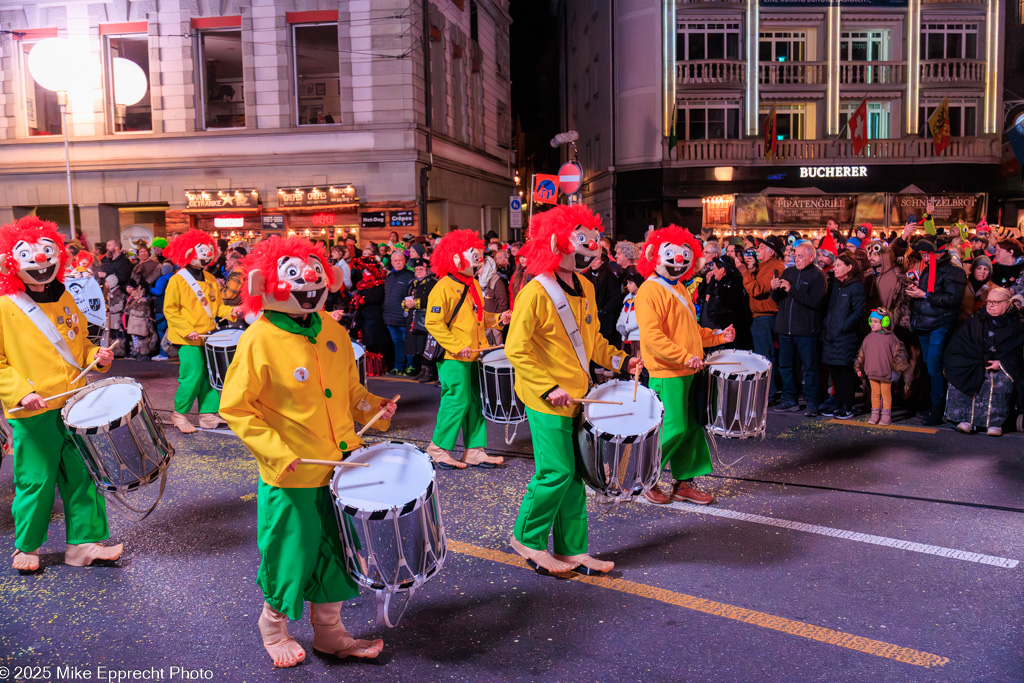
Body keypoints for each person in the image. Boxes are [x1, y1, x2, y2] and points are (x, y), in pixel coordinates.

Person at [219, 236, 395, 668]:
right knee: (290, 550)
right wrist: (277, 454)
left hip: (342, 467)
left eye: (314, 270)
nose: (310, 280)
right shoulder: (258, 338)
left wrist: (376, 408)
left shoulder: (332, 328)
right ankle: (273, 626)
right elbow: (236, 407)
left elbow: (351, 390)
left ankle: (330, 631)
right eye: (295, 273)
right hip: (292, 470)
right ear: (267, 283)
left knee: (338, 548)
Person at [505, 204, 638, 575]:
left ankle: (571, 549)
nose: (591, 245)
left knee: (576, 475)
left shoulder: (587, 286)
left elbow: (591, 340)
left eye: (594, 239)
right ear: (556, 242)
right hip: (546, 398)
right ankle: (528, 540)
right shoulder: (535, 291)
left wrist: (621, 361)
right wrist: (548, 388)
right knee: (556, 472)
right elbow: (517, 349)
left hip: (578, 396)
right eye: (583, 238)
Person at [0, 217, 121, 572]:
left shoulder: (65, 295)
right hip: (34, 409)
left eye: (47, 254)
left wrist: (96, 359)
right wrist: (21, 394)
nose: (40, 262)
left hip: (75, 402)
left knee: (82, 474)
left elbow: (79, 344)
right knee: (36, 479)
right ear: (12, 261)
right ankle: (27, 546)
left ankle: (82, 544)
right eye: (30, 256)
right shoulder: (5, 304)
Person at [636, 227, 732, 505]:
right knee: (673, 427)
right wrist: (682, 356)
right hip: (667, 371)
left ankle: (684, 484)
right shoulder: (649, 290)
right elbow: (653, 337)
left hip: (690, 368)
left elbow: (691, 331)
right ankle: (644, 478)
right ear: (655, 256)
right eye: (672, 256)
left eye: (683, 257)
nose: (678, 262)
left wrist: (716, 336)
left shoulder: (678, 288)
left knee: (691, 427)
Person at [425, 230, 511, 469]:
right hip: (454, 357)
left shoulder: (472, 283)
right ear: (454, 257)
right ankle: (437, 449)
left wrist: (499, 320)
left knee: (476, 401)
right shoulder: (442, 287)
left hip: (474, 354)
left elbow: (479, 319)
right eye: (475, 255)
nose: (479, 260)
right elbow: (433, 323)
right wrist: (456, 346)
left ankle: (474, 451)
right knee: (457, 400)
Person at [163, 229, 242, 433]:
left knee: (209, 376)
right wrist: (187, 330)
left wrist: (232, 311)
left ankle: (207, 414)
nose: (206, 258)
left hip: (208, 336)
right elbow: (170, 310)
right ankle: (179, 414)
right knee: (192, 375)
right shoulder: (177, 280)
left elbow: (216, 308)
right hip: (188, 338)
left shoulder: (209, 278)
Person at [942, 287, 1024, 436]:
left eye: (996, 302)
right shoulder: (977, 319)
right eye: (989, 301)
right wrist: (976, 359)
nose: (991, 305)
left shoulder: (1017, 324)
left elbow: (1017, 352)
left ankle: (994, 423)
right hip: (976, 361)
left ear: (1007, 303)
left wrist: (1001, 363)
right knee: (963, 371)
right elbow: (961, 343)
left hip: (1002, 364)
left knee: (999, 379)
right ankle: (966, 419)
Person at [906, 238, 967, 425]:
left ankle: (937, 408)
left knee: (934, 367)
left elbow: (953, 299)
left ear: (938, 253)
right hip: (924, 324)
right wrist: (917, 290)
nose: (923, 257)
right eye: (922, 254)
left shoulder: (954, 271)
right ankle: (930, 403)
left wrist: (923, 294)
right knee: (927, 366)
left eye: (926, 254)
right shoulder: (928, 268)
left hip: (939, 325)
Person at [771, 241, 828, 416]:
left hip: (806, 331)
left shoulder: (818, 276)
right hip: (785, 330)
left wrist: (792, 290)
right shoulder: (788, 272)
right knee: (785, 366)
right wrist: (774, 290)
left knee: (810, 368)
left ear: (812, 257)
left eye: (801, 256)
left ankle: (812, 403)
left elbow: (816, 302)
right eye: (795, 255)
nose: (796, 259)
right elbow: (779, 299)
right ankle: (789, 399)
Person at [821, 253, 866, 420]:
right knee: (835, 373)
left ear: (849, 268)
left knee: (845, 373)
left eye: (839, 265)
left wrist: (844, 327)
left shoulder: (856, 287)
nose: (835, 268)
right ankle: (838, 404)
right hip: (830, 335)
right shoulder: (835, 285)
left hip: (845, 337)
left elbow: (858, 311)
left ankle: (847, 406)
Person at [741, 236, 785, 399]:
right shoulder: (765, 265)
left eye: (760, 248)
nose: (756, 250)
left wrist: (745, 272)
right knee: (763, 355)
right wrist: (751, 269)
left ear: (771, 252)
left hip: (765, 318)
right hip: (761, 318)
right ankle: (767, 390)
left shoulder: (775, 267)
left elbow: (757, 290)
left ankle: (769, 392)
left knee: (764, 357)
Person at [855, 308, 910, 426]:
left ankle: (886, 415)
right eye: (871, 321)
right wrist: (859, 367)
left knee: (885, 393)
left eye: (876, 321)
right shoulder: (868, 338)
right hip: (872, 372)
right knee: (874, 393)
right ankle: (875, 414)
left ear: (885, 322)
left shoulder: (891, 339)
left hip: (886, 373)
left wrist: (896, 370)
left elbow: (898, 355)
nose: (872, 324)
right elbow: (862, 354)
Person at [700, 256, 751, 351]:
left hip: (730, 333)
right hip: (730, 331)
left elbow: (725, 308)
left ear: (722, 270)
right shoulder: (726, 283)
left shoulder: (730, 286)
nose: (713, 271)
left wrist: (712, 299)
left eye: (715, 268)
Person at [383, 250, 415, 375]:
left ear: (405, 261)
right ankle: (398, 367)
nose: (398, 262)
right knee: (397, 344)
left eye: (400, 260)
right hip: (390, 317)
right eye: (395, 260)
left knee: (408, 343)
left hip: (404, 317)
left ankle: (410, 366)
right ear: (391, 262)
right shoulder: (389, 277)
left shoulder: (410, 276)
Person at [404, 257, 437, 382]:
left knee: (426, 346)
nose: (418, 271)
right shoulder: (412, 283)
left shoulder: (433, 283)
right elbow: (405, 296)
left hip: (425, 319)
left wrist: (416, 303)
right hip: (413, 318)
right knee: (417, 346)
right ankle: (421, 370)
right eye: (416, 269)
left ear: (427, 270)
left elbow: (432, 300)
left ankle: (428, 372)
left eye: (421, 269)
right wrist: (406, 303)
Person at [585, 246, 624, 348]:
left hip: (604, 318)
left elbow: (614, 297)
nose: (593, 262)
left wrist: (604, 310)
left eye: (596, 259)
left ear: (602, 261)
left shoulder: (608, 276)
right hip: (589, 316)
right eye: (592, 259)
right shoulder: (586, 275)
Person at [478, 255, 510, 346]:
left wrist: (498, 322)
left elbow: (502, 303)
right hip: (481, 324)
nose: (478, 271)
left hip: (493, 326)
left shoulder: (497, 281)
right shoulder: (478, 280)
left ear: (488, 267)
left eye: (480, 267)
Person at [616, 269, 644, 357]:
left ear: (638, 283)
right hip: (626, 337)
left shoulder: (643, 298)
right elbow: (623, 315)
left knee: (638, 365)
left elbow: (642, 318)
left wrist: (626, 328)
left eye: (630, 283)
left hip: (638, 337)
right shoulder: (628, 298)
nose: (627, 286)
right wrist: (619, 326)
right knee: (627, 363)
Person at [124, 282, 155, 359]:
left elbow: (142, 313)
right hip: (134, 324)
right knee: (136, 340)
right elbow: (126, 310)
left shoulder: (143, 301)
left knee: (142, 340)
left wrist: (131, 310)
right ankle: (139, 352)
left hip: (140, 324)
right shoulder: (134, 301)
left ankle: (145, 354)